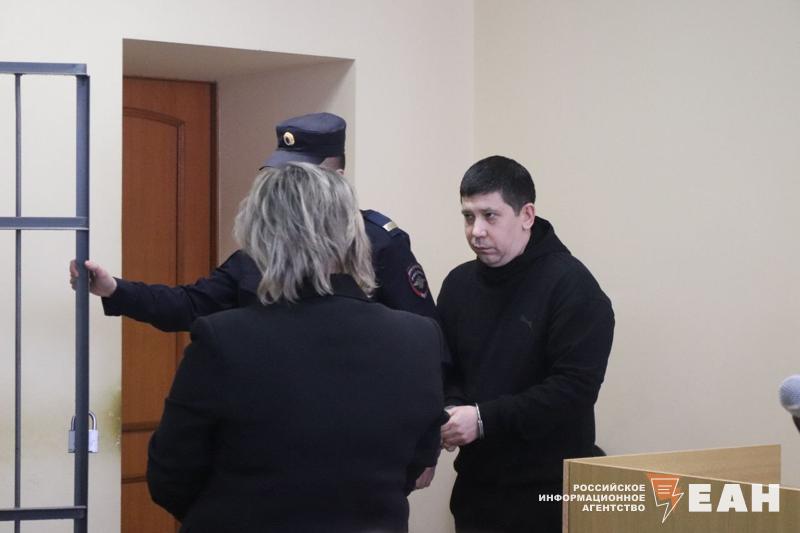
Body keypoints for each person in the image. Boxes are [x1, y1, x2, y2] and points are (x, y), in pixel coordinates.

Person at [146, 163, 446, 533]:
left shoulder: (223, 339)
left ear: (261, 240)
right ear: (355, 237)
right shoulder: (419, 339)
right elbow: (415, 465)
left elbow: (169, 477)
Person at [70, 112, 436, 332]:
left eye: (302, 175)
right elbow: (191, 304)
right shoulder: (264, 247)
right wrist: (114, 289)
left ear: (337, 178)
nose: (288, 186)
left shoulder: (378, 242)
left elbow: (423, 337)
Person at [438, 155, 614, 533]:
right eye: (468, 216)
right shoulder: (458, 285)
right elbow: (446, 369)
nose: (476, 231)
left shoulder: (572, 286)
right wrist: (451, 408)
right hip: (477, 491)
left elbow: (574, 390)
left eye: (490, 216)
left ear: (527, 215)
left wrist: (483, 419)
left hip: (549, 494)